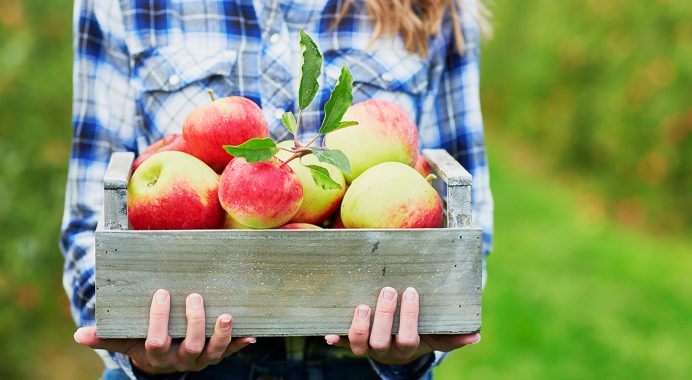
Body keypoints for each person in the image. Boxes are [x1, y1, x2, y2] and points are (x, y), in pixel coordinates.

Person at [62, 0, 494, 379]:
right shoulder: (123, 3)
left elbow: (464, 222)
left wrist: (417, 344)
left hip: (358, 369)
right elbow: (89, 218)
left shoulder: (437, 5)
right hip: (186, 363)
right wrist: (134, 341)